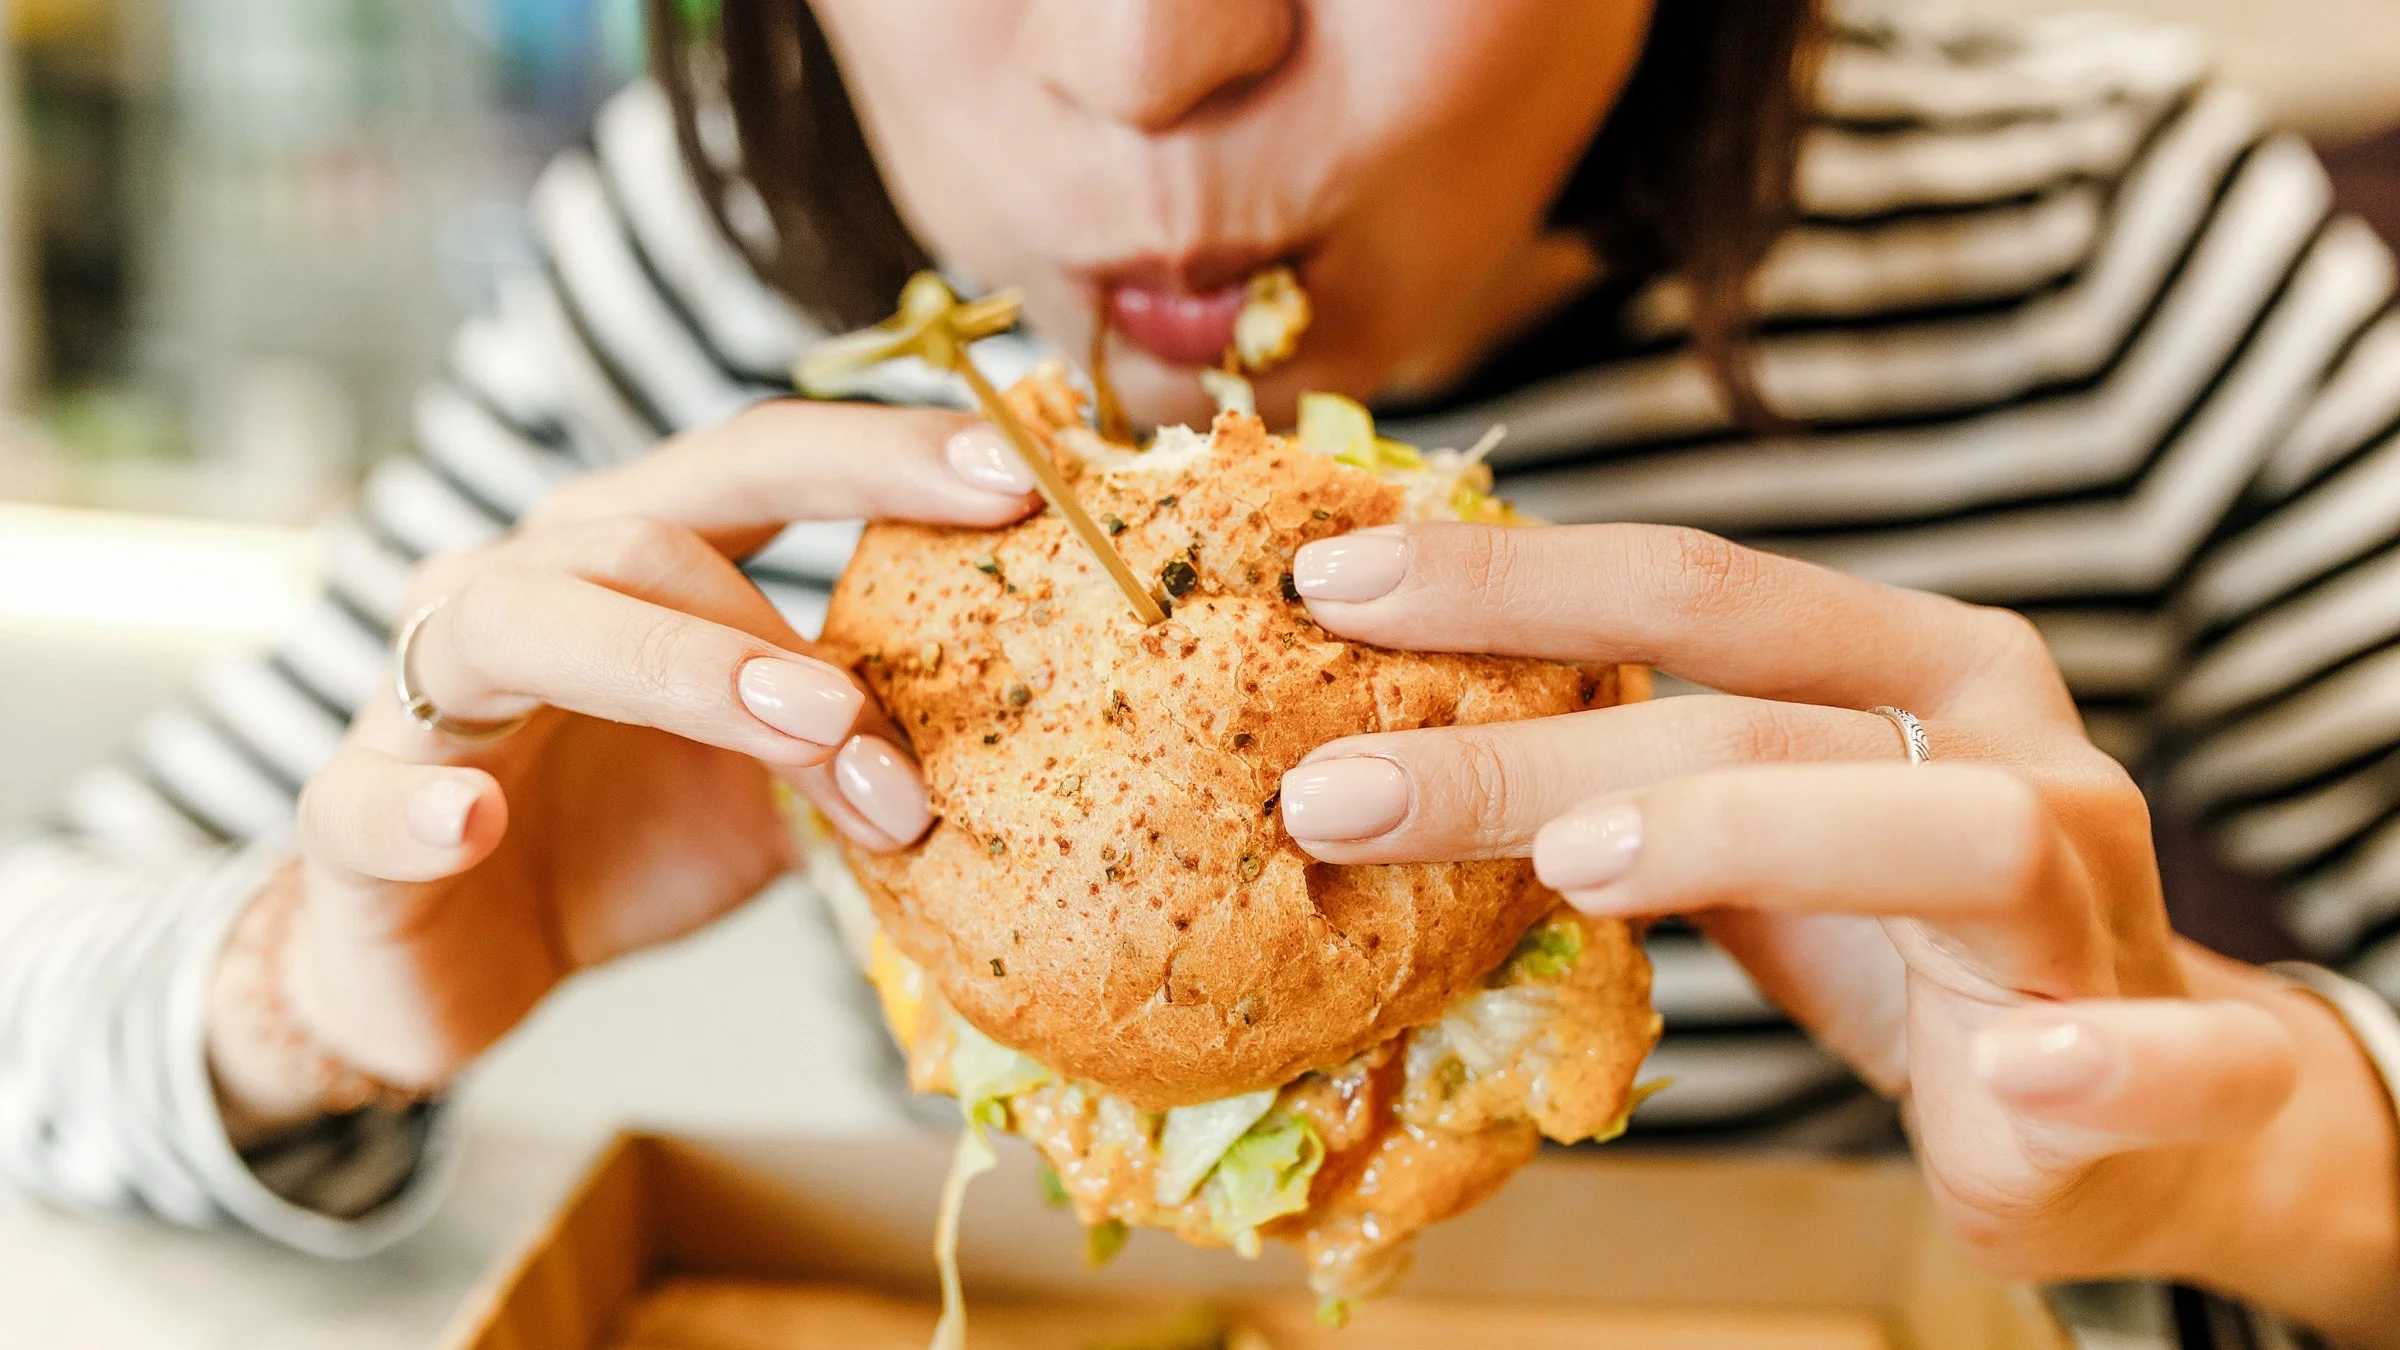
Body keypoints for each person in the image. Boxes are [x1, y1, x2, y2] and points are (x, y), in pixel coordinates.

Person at [3, 0, 2397, 1342]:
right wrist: (321, 987)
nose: (1152, 64)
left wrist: (2285, 1153)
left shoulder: (2111, 253)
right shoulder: (728, 286)